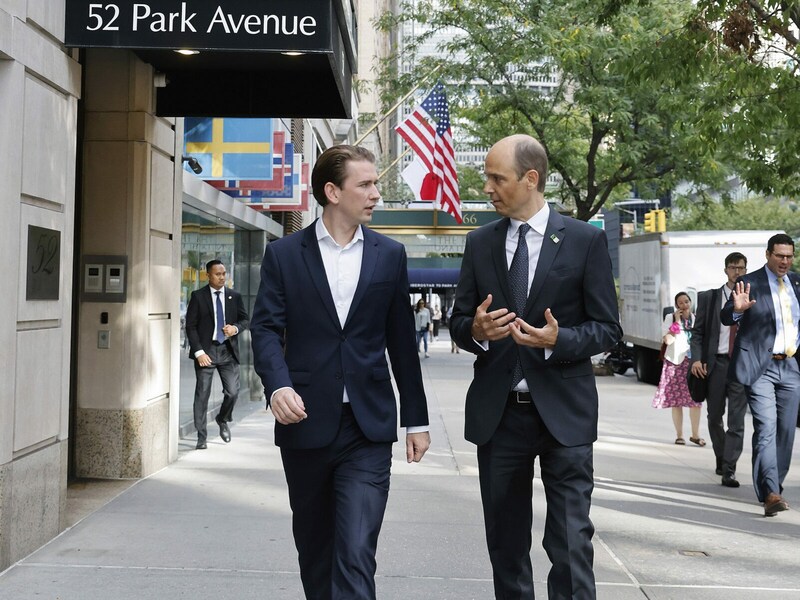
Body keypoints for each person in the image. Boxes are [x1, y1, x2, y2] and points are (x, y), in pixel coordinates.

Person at [250, 144, 430, 599]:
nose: (376, 195)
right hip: (305, 421)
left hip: (367, 429)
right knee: (316, 552)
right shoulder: (285, 255)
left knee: (355, 551)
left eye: (376, 185)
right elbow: (266, 330)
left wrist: (417, 419)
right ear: (332, 191)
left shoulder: (390, 255)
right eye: (365, 185)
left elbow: (402, 343)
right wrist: (278, 387)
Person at [449, 134, 621, 599]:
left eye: (495, 178)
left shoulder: (585, 240)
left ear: (531, 179)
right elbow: (458, 321)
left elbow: (608, 329)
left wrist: (557, 339)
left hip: (564, 413)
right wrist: (476, 331)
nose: (486, 187)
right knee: (506, 544)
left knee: (569, 543)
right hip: (499, 415)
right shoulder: (480, 243)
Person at [722, 233, 800, 517]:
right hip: (761, 367)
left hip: (790, 366)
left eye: (789, 256)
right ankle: (770, 492)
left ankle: (773, 485)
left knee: (786, 432)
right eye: (779, 255)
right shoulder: (750, 282)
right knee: (766, 427)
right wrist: (737, 310)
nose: (785, 261)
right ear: (768, 254)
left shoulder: (796, 282)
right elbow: (727, 315)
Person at [690, 252, 748, 487]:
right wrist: (696, 359)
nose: (737, 272)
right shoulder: (710, 298)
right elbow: (698, 333)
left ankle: (729, 468)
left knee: (737, 420)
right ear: (725, 270)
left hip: (741, 365)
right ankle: (721, 455)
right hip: (716, 365)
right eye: (733, 267)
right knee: (715, 417)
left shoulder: (752, 298)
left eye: (741, 268)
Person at [185, 259, 249, 450]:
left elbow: (245, 320)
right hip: (206, 352)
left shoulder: (234, 296)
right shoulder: (197, 296)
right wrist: (199, 353)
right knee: (202, 395)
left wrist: (235, 329)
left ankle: (222, 418)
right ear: (208, 275)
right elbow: (191, 326)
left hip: (227, 351)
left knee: (232, 392)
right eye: (217, 274)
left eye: (224, 273)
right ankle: (201, 437)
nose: (222, 277)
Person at [652, 292, 705, 446]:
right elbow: (667, 340)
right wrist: (676, 322)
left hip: (693, 362)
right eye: (680, 303)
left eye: (687, 301)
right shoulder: (670, 319)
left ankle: (696, 435)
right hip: (675, 362)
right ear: (677, 306)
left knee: (696, 399)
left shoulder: (696, 319)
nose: (684, 305)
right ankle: (679, 435)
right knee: (677, 400)